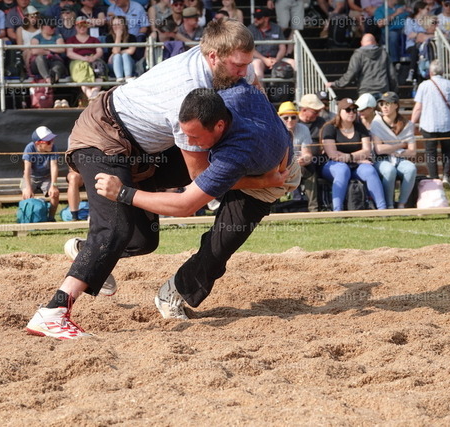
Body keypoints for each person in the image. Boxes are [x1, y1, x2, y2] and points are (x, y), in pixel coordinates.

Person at [24, 19, 285, 340]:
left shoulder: (225, 64)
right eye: (238, 65)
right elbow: (198, 182)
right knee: (116, 229)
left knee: (143, 241)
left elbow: (254, 89)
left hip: (142, 149)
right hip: (102, 137)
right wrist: (259, 182)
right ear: (213, 56)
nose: (244, 72)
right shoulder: (187, 96)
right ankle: (53, 312)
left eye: (247, 64)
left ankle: (90, 253)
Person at [93, 84, 296, 320]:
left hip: (267, 183)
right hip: (260, 169)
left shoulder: (235, 154)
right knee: (153, 171)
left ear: (219, 125)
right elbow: (252, 80)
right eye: (185, 134)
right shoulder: (239, 91)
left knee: (218, 248)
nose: (188, 141)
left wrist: (122, 193)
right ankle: (96, 245)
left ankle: (172, 293)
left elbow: (185, 206)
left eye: (195, 136)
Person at [320, 98, 387, 211]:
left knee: (370, 171)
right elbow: (332, 154)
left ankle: (383, 209)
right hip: (332, 164)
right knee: (342, 170)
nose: (351, 112)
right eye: (348, 110)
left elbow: (366, 151)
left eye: (354, 110)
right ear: (339, 111)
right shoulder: (330, 128)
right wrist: (355, 158)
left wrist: (350, 158)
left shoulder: (360, 128)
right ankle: (337, 211)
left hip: (356, 165)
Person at [411, 60, 450, 188]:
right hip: (446, 123)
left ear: (430, 72)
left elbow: (418, 108)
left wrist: (412, 123)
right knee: (447, 151)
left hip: (428, 124)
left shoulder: (424, 85)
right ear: (442, 72)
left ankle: (434, 179)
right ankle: (446, 176)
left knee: (430, 153)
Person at [370, 91, 417, 209]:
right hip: (381, 159)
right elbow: (379, 149)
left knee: (411, 168)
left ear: (396, 105)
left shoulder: (407, 124)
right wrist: (400, 145)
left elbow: (412, 151)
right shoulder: (376, 122)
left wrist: (395, 152)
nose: (384, 107)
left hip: (399, 158)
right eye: (382, 104)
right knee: (389, 170)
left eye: (388, 103)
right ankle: (389, 204)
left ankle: (401, 204)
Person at [326, 33, 398, 96]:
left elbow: (352, 72)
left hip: (365, 91)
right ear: (375, 42)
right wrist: (393, 92)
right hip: (383, 90)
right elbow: (392, 75)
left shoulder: (358, 55)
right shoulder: (383, 53)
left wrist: (337, 84)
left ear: (361, 43)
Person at [278, 101, 314, 209]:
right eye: (286, 118)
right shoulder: (275, 130)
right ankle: (275, 208)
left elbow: (307, 153)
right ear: (279, 118)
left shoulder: (303, 129)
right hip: (279, 166)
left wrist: (305, 159)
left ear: (297, 118)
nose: (290, 120)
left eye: (293, 117)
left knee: (311, 169)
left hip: (298, 164)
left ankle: (313, 208)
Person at [21, 126, 60, 221]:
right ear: (38, 143)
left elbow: (54, 166)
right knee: (26, 195)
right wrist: (28, 188)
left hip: (46, 177)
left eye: (52, 140)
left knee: (55, 194)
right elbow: (27, 170)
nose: (52, 143)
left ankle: (51, 218)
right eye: (48, 142)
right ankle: (27, 219)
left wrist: (54, 185)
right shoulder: (29, 148)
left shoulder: (53, 148)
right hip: (31, 177)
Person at [297, 93, 327, 212]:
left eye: (319, 111)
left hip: (318, 159)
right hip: (296, 159)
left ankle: (314, 207)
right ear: (304, 110)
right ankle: (297, 202)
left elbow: (325, 141)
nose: (318, 114)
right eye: (315, 112)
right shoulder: (293, 121)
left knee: (311, 166)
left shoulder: (321, 122)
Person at [248, 7, 291, 87]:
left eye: (258, 18)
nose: (255, 20)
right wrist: (265, 60)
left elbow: (282, 47)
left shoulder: (276, 28)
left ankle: (297, 92)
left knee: (293, 63)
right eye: (255, 17)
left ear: (266, 19)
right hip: (260, 59)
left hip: (276, 58)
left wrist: (277, 60)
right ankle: (262, 93)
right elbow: (250, 49)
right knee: (256, 64)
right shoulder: (251, 29)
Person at [66, 17, 103, 101]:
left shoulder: (94, 39)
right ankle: (91, 96)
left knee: (99, 66)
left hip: (93, 59)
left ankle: (95, 92)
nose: (82, 27)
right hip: (77, 60)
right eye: (80, 26)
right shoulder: (71, 39)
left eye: (84, 25)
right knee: (81, 72)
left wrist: (93, 57)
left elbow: (99, 51)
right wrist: (83, 58)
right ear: (76, 27)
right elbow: (69, 53)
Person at [30, 16, 66, 84]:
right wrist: (50, 52)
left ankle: (55, 77)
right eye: (51, 27)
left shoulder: (58, 36)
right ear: (44, 26)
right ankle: (48, 78)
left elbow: (62, 49)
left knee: (58, 65)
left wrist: (46, 48)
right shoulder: (36, 38)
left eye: (55, 26)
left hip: (54, 60)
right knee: (39, 58)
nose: (54, 29)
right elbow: (34, 51)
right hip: (39, 64)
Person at [403, 1, 431, 82]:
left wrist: (418, 35)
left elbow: (430, 31)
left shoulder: (427, 21)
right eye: (427, 9)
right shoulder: (410, 20)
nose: (428, 11)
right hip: (412, 45)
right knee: (416, 48)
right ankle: (412, 71)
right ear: (420, 9)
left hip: (424, 45)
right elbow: (410, 35)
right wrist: (422, 35)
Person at [106, 15, 136, 82]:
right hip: (113, 65)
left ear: (124, 26)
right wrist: (118, 36)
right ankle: (119, 78)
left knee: (125, 55)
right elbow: (116, 51)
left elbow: (131, 51)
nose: (116, 27)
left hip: (130, 64)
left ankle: (128, 77)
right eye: (114, 25)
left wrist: (114, 54)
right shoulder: (109, 37)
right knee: (117, 56)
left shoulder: (132, 37)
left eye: (118, 24)